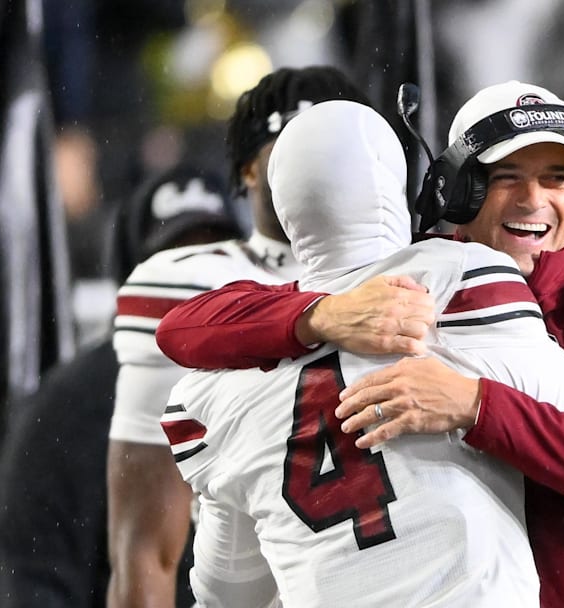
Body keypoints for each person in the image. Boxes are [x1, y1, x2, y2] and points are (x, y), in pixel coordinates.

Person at [157, 80, 564, 607]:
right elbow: (181, 327)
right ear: (456, 188)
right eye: (507, 176)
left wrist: (475, 405)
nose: (534, 199)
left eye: (557, 178)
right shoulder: (409, 279)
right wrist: (322, 314)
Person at [105, 66, 370, 607]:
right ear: (248, 168)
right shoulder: (185, 285)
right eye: (296, 141)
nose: (322, 161)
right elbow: (148, 549)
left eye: (342, 142)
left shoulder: (434, 268)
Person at [0, 164, 244, 607]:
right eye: (172, 262)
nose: (195, 284)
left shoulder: (275, 383)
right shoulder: (67, 410)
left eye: (214, 257)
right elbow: (34, 577)